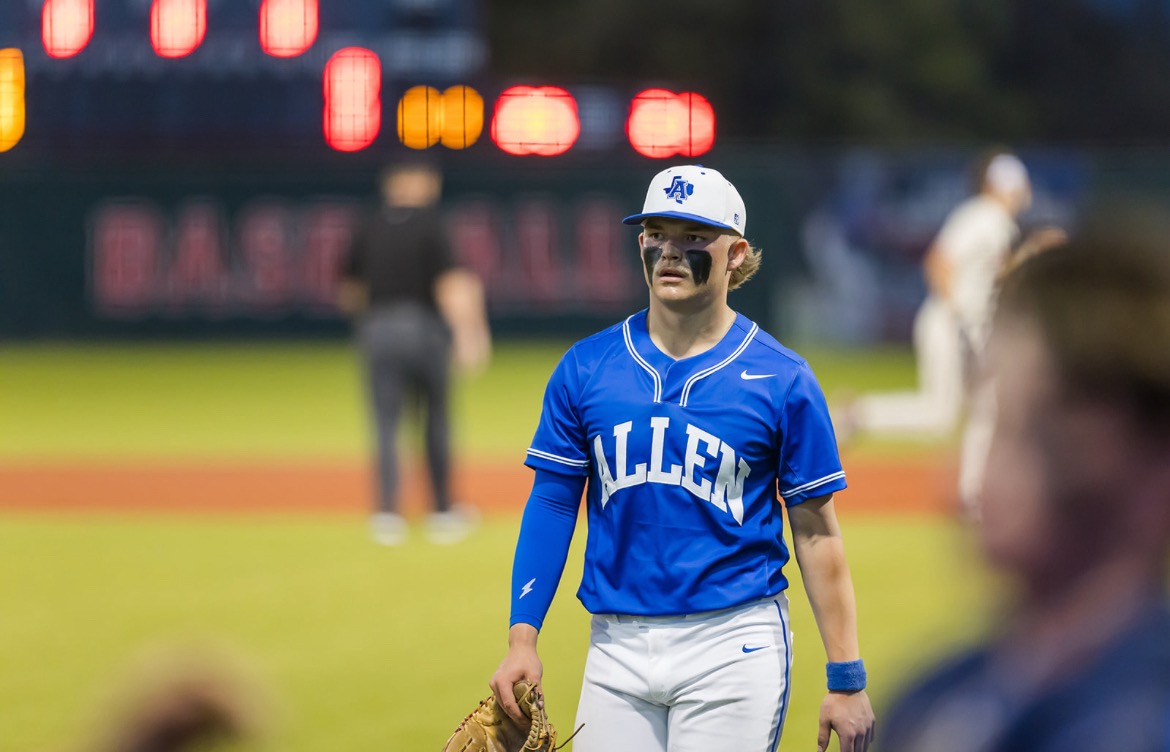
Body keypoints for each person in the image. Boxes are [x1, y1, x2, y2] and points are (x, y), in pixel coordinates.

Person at [489, 165, 875, 752]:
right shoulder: (587, 367)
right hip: (615, 651)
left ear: (736, 253)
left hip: (735, 646)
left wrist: (846, 678)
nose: (670, 251)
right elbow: (551, 504)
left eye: (693, 236)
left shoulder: (781, 378)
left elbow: (817, 533)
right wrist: (523, 640)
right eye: (656, 233)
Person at [880, 207, 1170, 751]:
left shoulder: (1139, 720)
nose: (982, 481)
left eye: (1038, 430)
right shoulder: (935, 696)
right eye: (1001, 425)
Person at [842, 149, 1063, 514]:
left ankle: (860, 416)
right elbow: (939, 263)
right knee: (972, 409)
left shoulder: (997, 223)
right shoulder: (981, 216)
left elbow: (996, 276)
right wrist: (958, 317)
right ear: (1002, 186)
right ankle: (973, 495)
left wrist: (1032, 252)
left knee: (956, 412)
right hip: (951, 324)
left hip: (962, 325)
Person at [337, 159, 491, 545]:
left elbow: (349, 290)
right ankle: (441, 511)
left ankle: (387, 514)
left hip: (377, 327)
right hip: (424, 327)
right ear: (410, 181)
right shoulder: (431, 223)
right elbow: (451, 284)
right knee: (435, 418)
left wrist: (373, 326)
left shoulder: (368, 224)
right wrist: (468, 334)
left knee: (385, 422)